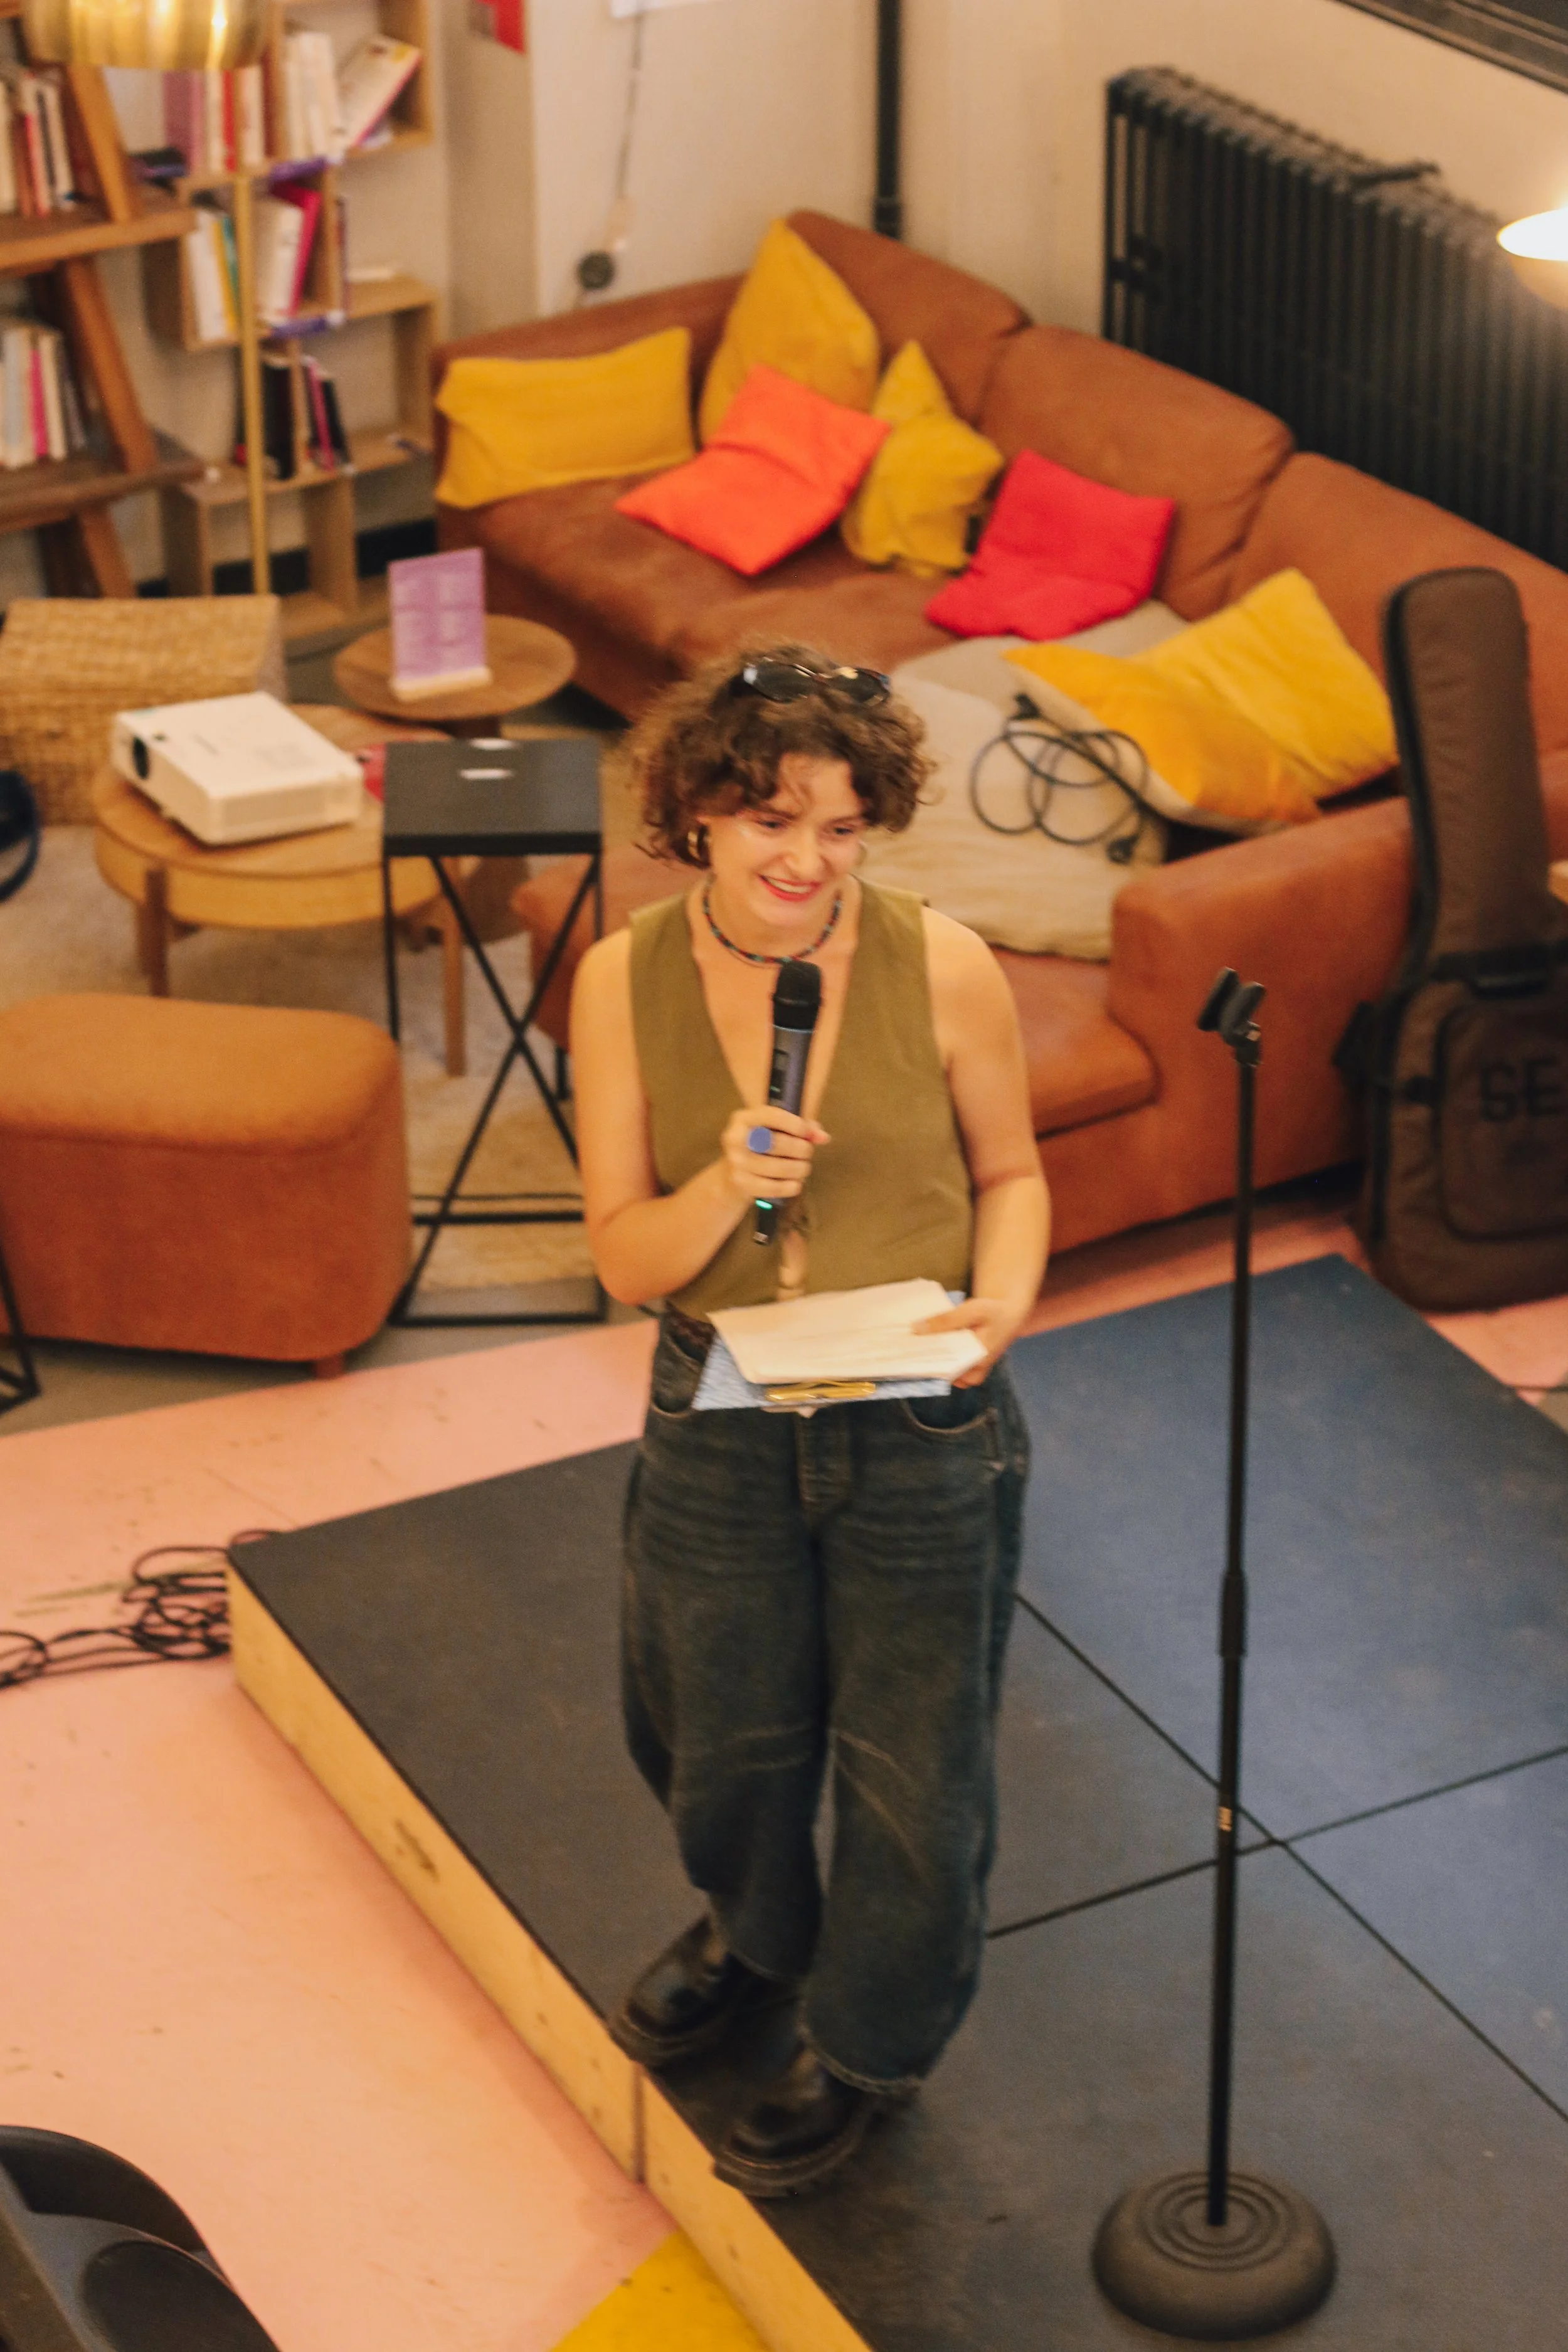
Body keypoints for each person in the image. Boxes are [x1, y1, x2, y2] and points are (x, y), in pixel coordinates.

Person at [570, 644, 1049, 2196]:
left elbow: (1012, 1179)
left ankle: (862, 2047)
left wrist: (1002, 1306)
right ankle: (757, 1937)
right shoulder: (619, 976)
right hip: (716, 1407)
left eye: (842, 829)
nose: (803, 861)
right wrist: (729, 1179)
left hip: (917, 1409)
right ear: (697, 811)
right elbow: (627, 1254)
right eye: (771, 818)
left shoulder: (946, 964)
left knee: (918, 1780)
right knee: (714, 1738)